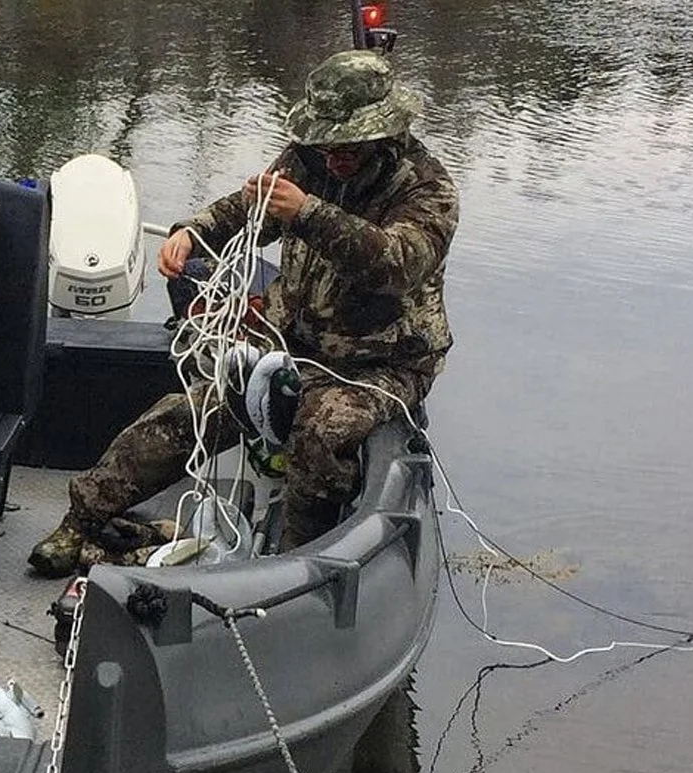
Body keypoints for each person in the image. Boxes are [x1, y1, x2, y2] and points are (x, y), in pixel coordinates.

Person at [29, 49, 458, 576]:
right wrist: (195, 230)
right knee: (189, 412)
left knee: (319, 431)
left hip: (383, 364)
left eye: (349, 145)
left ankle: (296, 569)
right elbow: (250, 206)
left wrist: (308, 211)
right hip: (293, 344)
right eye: (326, 142)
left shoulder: (428, 189)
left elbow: (396, 264)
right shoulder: (309, 159)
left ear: (384, 133)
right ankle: (82, 519)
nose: (335, 156)